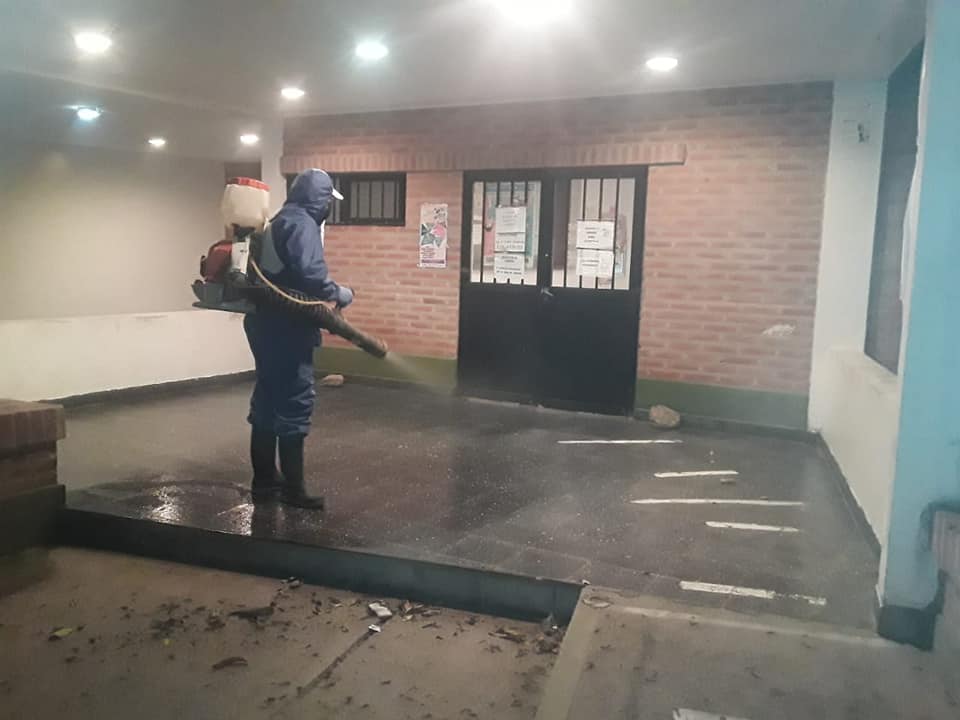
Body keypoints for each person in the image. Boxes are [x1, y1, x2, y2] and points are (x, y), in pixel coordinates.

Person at [244, 169, 353, 509]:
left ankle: (264, 480)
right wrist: (341, 292)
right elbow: (312, 276)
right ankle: (295, 490)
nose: (328, 208)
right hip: (288, 328)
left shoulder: (278, 220)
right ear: (319, 198)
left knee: (267, 400)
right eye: (327, 200)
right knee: (294, 402)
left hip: (264, 324)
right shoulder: (302, 224)